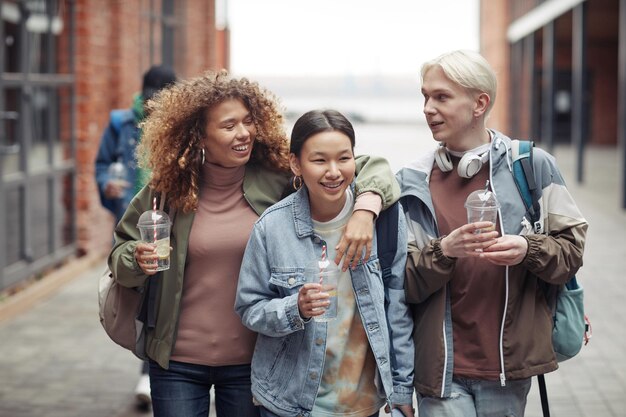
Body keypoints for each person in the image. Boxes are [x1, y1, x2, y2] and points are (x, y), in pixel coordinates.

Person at [108, 72, 401, 417]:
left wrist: (365, 210)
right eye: (229, 125)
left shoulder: (277, 178)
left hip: (253, 361)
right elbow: (120, 253)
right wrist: (136, 258)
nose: (244, 132)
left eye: (248, 121)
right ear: (199, 134)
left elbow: (370, 167)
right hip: (176, 361)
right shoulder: (170, 189)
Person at [396, 49, 588, 417]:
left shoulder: (532, 166)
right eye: (425, 96)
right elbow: (403, 281)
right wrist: (444, 251)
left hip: (509, 371)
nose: (427, 108)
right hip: (441, 373)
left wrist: (526, 248)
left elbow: (571, 253)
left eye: (441, 97)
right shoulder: (412, 181)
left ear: (479, 103)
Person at [235, 109, 414, 417]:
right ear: (296, 164)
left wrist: (401, 389)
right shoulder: (272, 227)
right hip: (288, 403)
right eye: (319, 160)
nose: (333, 171)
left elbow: (396, 305)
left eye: (344, 159)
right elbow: (249, 308)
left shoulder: (383, 218)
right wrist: (296, 308)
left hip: (361, 404)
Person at [94, 64, 177, 409]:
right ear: (141, 94)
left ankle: (149, 368)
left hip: (168, 223)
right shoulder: (120, 123)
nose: (153, 107)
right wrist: (107, 186)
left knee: (160, 292)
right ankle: (145, 356)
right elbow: (101, 164)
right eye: (149, 100)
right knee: (133, 292)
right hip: (131, 222)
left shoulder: (180, 124)